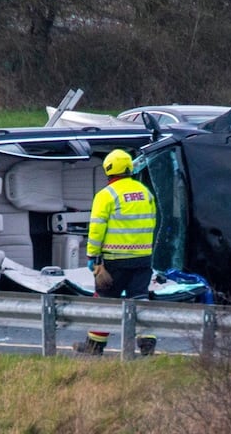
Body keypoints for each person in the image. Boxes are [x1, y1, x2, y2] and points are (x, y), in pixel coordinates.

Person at [73, 149, 158, 356]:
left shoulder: (106, 195)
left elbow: (96, 229)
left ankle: (95, 346)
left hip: (114, 260)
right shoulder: (145, 192)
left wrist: (93, 256)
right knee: (139, 299)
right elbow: (153, 222)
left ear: (108, 170)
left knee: (104, 301)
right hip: (143, 259)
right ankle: (147, 342)